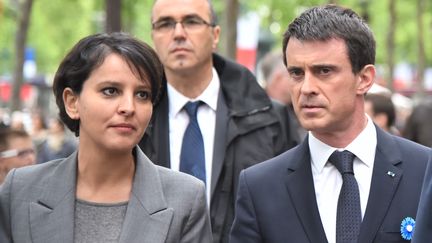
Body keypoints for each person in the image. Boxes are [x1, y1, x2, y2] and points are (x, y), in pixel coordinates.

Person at [230, 5, 431, 243]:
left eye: (324, 71)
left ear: (364, 79)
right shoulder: (259, 187)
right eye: (296, 73)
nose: (306, 88)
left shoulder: (424, 170)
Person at [0, 32, 212, 243]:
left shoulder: (186, 199)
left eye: (142, 94)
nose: (129, 108)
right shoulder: (20, 190)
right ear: (72, 102)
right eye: (111, 91)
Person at [140, 0, 296, 242]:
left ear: (215, 35)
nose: (178, 33)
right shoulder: (134, 120)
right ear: (153, 36)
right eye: (165, 24)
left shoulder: (270, 118)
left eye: (191, 22)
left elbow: (293, 204)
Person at [260, 51, 307, 144]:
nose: (304, 83)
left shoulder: (303, 109)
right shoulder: (254, 112)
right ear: (278, 77)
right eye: (296, 74)